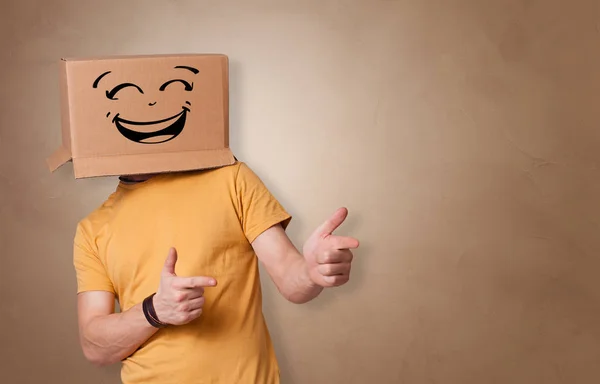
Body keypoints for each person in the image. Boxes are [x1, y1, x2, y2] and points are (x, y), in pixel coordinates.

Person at [74, 160, 360, 384]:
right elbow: (95, 347)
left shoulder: (232, 178)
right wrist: (154, 310)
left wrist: (312, 272)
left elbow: (291, 279)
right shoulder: (93, 229)